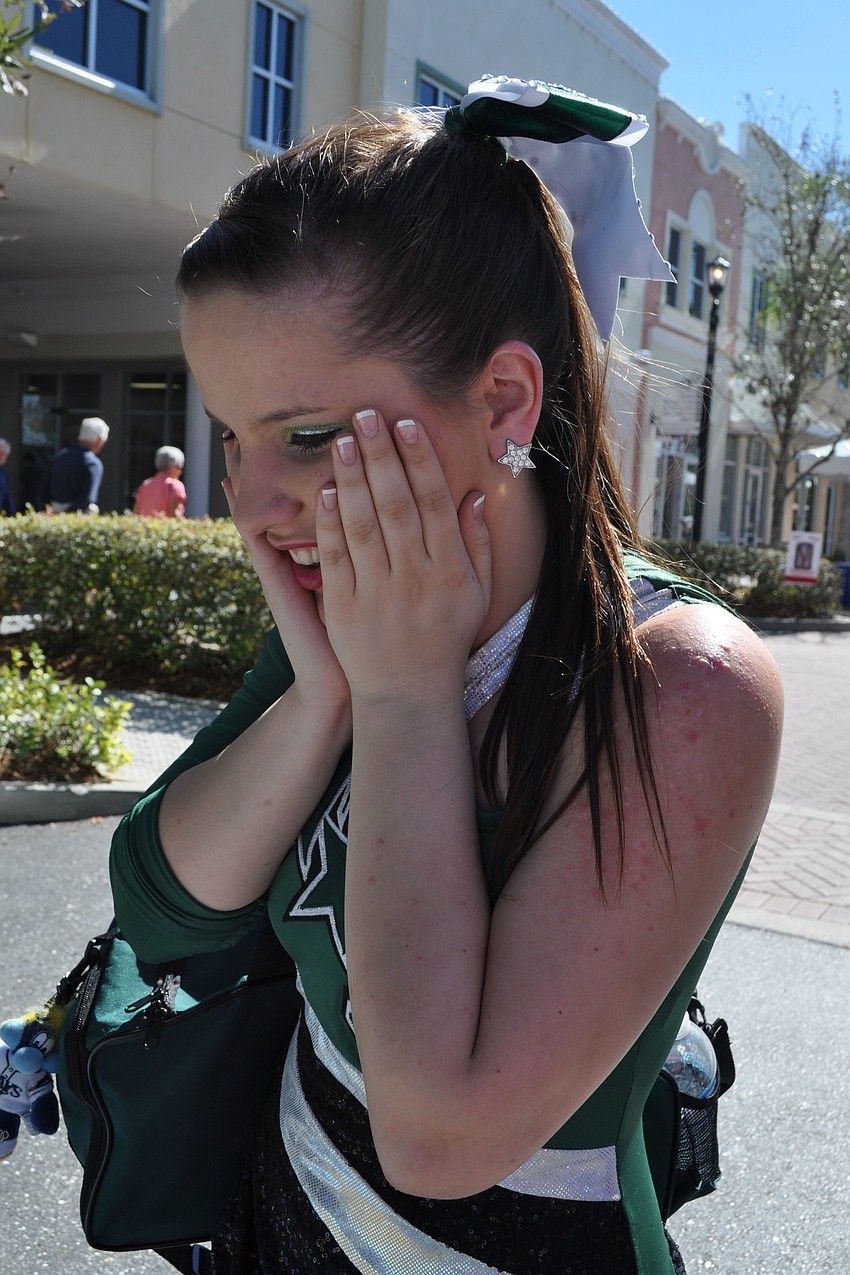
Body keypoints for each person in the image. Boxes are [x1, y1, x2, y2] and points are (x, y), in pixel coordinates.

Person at [109, 77, 783, 1274]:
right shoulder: (354, 626)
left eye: (308, 436)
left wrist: (408, 695)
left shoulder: (684, 683)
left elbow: (438, 1133)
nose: (254, 510)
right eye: (232, 437)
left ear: (505, 400)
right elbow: (161, 905)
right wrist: (325, 695)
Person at [38, 416, 109, 513]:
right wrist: (67, 514)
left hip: (53, 512)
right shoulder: (93, 463)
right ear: (99, 440)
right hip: (76, 516)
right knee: (93, 509)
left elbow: (43, 488)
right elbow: (87, 498)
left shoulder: (60, 456)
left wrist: (48, 510)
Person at [133, 445, 187, 518]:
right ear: (170, 466)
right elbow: (174, 515)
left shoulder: (145, 484)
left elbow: (135, 513)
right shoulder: (174, 485)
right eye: (178, 466)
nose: (180, 471)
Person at [0, 438, 15, 515]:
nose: (1, 457)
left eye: (3, 454)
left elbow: (7, 497)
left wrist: (12, 517)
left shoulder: (4, 473)